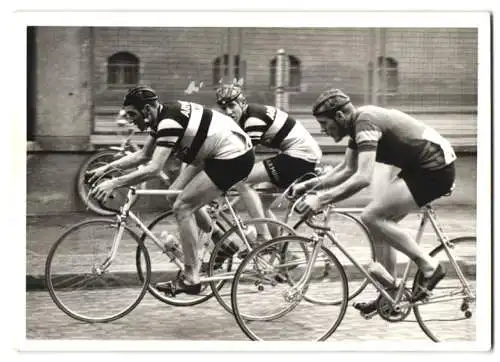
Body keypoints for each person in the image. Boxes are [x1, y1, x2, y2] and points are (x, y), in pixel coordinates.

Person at [291, 88, 457, 315]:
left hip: (435, 168)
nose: (322, 130)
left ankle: (430, 267)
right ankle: (389, 297)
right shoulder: (356, 126)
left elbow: (362, 177)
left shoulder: (365, 122)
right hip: (419, 167)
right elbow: (346, 169)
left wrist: (321, 199)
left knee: (372, 216)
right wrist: (308, 186)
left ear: (339, 117)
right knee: (379, 227)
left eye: (324, 123)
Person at [88, 86, 254, 295]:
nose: (130, 120)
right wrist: (105, 169)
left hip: (233, 156)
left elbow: (154, 168)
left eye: (133, 114)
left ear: (147, 110)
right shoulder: (161, 118)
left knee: (183, 207)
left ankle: (191, 277)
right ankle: (222, 242)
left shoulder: (168, 122)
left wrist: (114, 183)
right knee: (173, 194)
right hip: (213, 152)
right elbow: (142, 156)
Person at [215, 84, 322, 239]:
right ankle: (279, 250)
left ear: (243, 103)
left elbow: (244, 159)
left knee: (241, 181)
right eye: (223, 109)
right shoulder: (244, 119)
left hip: (300, 156)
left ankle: (262, 235)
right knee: (261, 204)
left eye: (232, 106)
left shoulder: (253, 119)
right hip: (297, 155)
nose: (229, 112)